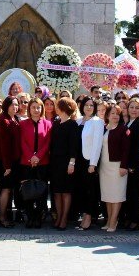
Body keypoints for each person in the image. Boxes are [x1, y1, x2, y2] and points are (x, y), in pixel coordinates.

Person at [17, 99, 52, 228]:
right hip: (26, 162)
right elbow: (22, 142)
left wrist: (38, 157)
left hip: (42, 162)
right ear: (29, 109)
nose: (36, 110)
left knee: (41, 192)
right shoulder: (23, 124)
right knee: (27, 190)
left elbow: (48, 142)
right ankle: (30, 216)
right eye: (33, 107)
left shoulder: (48, 124)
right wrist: (30, 157)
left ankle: (38, 216)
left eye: (38, 107)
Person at [48, 97, 80, 230]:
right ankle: (59, 216)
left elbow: (74, 146)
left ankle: (64, 218)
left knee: (66, 192)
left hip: (67, 162)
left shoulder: (72, 125)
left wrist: (72, 163)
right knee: (56, 192)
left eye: (57, 106)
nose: (55, 108)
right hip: (55, 162)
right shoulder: (56, 123)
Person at [119, 97, 139, 231]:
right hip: (126, 164)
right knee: (129, 193)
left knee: (135, 193)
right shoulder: (127, 123)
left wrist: (132, 165)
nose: (134, 110)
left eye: (137, 108)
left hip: (134, 165)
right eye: (131, 107)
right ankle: (129, 217)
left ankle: (135, 219)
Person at [100, 104, 129, 232]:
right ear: (107, 115)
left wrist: (123, 166)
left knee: (117, 194)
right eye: (112, 113)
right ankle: (108, 219)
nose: (115, 116)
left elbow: (127, 150)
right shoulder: (104, 128)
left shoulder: (124, 129)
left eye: (117, 113)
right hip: (104, 166)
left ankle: (113, 220)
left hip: (117, 166)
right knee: (107, 195)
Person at [77, 98, 104, 230]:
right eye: (86, 105)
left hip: (89, 160)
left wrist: (93, 163)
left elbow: (97, 144)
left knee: (90, 190)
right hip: (79, 160)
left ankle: (89, 215)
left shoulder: (97, 122)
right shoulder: (78, 121)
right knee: (81, 189)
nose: (88, 107)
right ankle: (83, 213)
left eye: (91, 105)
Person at [0, 97, 22, 228]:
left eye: (16, 105)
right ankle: (1, 217)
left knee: (10, 189)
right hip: (6, 163)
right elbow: (3, 145)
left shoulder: (15, 119)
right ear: (6, 106)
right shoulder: (3, 120)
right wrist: (7, 166)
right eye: (12, 104)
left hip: (15, 161)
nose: (14, 107)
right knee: (5, 190)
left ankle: (7, 215)